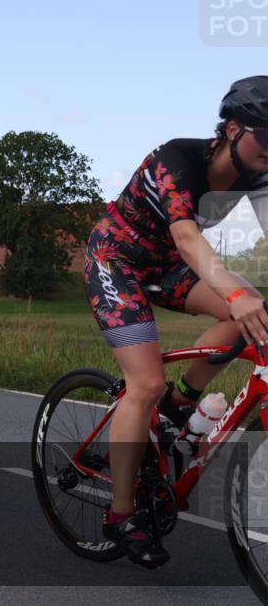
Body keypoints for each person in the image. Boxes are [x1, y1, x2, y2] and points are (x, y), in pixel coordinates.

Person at [84, 76, 268, 568]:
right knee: (142, 382)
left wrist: (243, 297)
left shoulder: (260, 175)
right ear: (232, 128)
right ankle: (122, 514)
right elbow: (188, 238)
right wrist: (234, 291)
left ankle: (177, 405)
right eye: (266, 136)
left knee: (255, 313)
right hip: (116, 260)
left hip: (167, 267)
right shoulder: (177, 159)